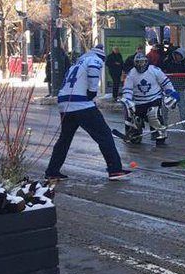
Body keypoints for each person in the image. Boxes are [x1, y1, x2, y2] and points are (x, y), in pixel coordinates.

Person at [44, 44, 131, 181]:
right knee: (104, 135)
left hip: (65, 103)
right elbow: (93, 70)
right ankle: (115, 169)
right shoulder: (94, 59)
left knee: (64, 139)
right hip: (82, 103)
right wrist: (92, 91)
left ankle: (52, 171)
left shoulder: (76, 64)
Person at [121, 52, 179, 146]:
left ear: (146, 62)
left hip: (153, 99)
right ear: (135, 63)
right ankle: (134, 134)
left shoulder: (155, 70)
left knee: (154, 115)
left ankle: (160, 136)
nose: (140, 65)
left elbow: (166, 83)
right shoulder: (131, 73)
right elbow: (127, 89)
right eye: (138, 62)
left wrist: (172, 93)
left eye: (142, 62)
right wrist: (127, 100)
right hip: (138, 102)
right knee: (132, 116)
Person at [162, 47, 185, 122]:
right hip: (169, 89)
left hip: (180, 88)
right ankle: (164, 122)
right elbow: (162, 72)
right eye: (176, 55)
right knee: (165, 106)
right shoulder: (168, 63)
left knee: (182, 107)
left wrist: (184, 81)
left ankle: (184, 122)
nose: (177, 57)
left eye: (179, 55)